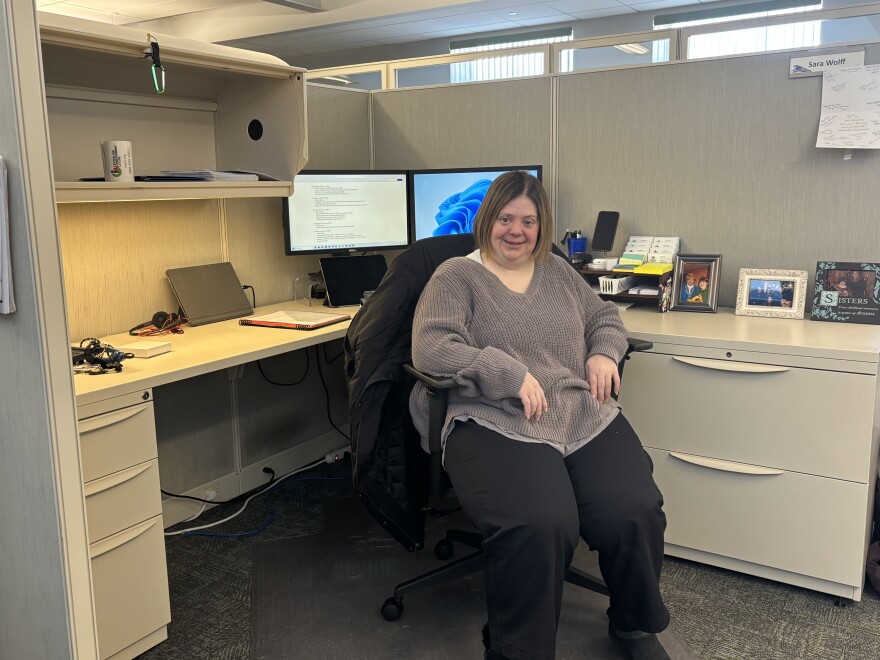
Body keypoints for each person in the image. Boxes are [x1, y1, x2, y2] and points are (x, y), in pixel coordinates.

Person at [409, 171, 670, 660]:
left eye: (527, 221)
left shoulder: (554, 268)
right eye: (505, 218)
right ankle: (516, 651)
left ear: (541, 225)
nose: (516, 231)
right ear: (487, 219)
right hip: (492, 416)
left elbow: (604, 318)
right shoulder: (456, 275)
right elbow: (430, 348)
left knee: (632, 509)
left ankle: (633, 625)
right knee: (540, 522)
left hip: (575, 410)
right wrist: (503, 371)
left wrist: (603, 353)